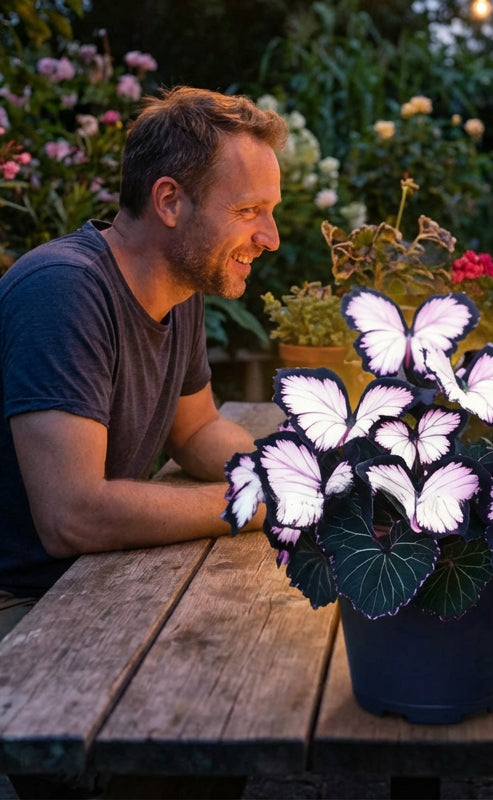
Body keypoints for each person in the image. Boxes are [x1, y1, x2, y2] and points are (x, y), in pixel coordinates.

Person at [0, 86, 289, 637]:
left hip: (87, 577)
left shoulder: (180, 288)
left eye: (269, 212)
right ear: (170, 201)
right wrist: (254, 502)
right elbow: (72, 516)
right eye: (249, 210)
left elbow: (197, 429)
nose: (268, 237)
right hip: (21, 605)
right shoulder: (63, 291)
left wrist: (296, 474)